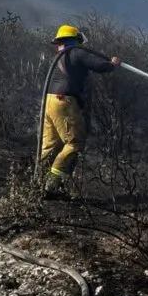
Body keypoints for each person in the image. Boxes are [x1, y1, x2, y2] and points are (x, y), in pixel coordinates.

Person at [40, 24, 120, 197]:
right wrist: (112, 64)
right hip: (64, 102)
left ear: (60, 42)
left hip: (50, 102)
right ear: (76, 40)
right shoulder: (77, 52)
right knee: (74, 143)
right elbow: (99, 66)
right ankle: (51, 185)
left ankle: (37, 182)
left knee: (50, 145)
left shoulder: (59, 58)